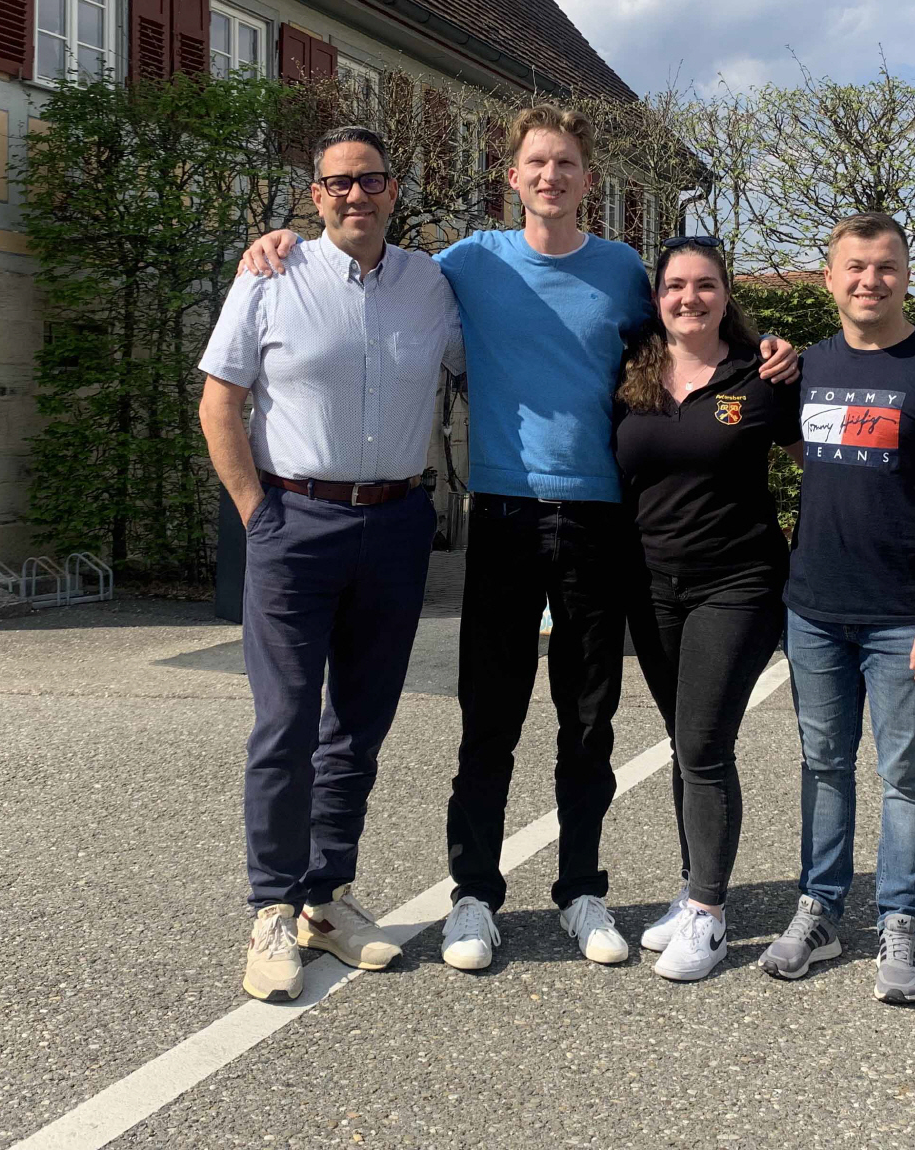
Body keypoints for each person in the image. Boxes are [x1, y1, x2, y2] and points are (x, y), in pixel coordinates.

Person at [237, 104, 797, 972]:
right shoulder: (466, 263)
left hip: (600, 519)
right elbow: (366, 264)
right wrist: (279, 243)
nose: (551, 176)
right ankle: (473, 896)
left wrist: (768, 350)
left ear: (587, 179)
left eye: (566, 163)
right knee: (488, 719)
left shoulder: (622, 271)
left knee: (588, 719)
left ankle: (581, 889)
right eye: (537, 162)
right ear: (513, 177)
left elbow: (692, 333)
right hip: (503, 514)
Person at [198, 125, 463, 1003]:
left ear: (394, 191)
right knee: (283, 725)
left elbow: (503, 354)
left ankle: (325, 897)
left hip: (395, 523)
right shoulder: (270, 275)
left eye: (372, 180)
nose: (356, 195)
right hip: (295, 520)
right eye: (339, 182)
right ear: (314, 195)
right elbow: (220, 403)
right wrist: (257, 517)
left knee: (359, 725)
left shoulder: (433, 284)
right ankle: (271, 907)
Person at [757, 212, 915, 1005]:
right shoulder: (807, 370)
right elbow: (815, 458)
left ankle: (900, 920)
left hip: (904, 617)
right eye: (855, 267)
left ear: (905, 275)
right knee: (824, 764)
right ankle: (820, 911)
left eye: (886, 266)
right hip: (815, 609)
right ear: (829, 278)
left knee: (905, 775)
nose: (870, 280)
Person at [614, 237, 801, 981]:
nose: (688, 298)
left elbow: (819, 465)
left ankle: (710, 912)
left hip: (738, 585)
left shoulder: (763, 374)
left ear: (726, 295)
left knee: (703, 745)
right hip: (650, 585)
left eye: (705, 285)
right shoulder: (630, 371)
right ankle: (694, 888)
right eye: (674, 286)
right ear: (656, 297)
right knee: (681, 741)